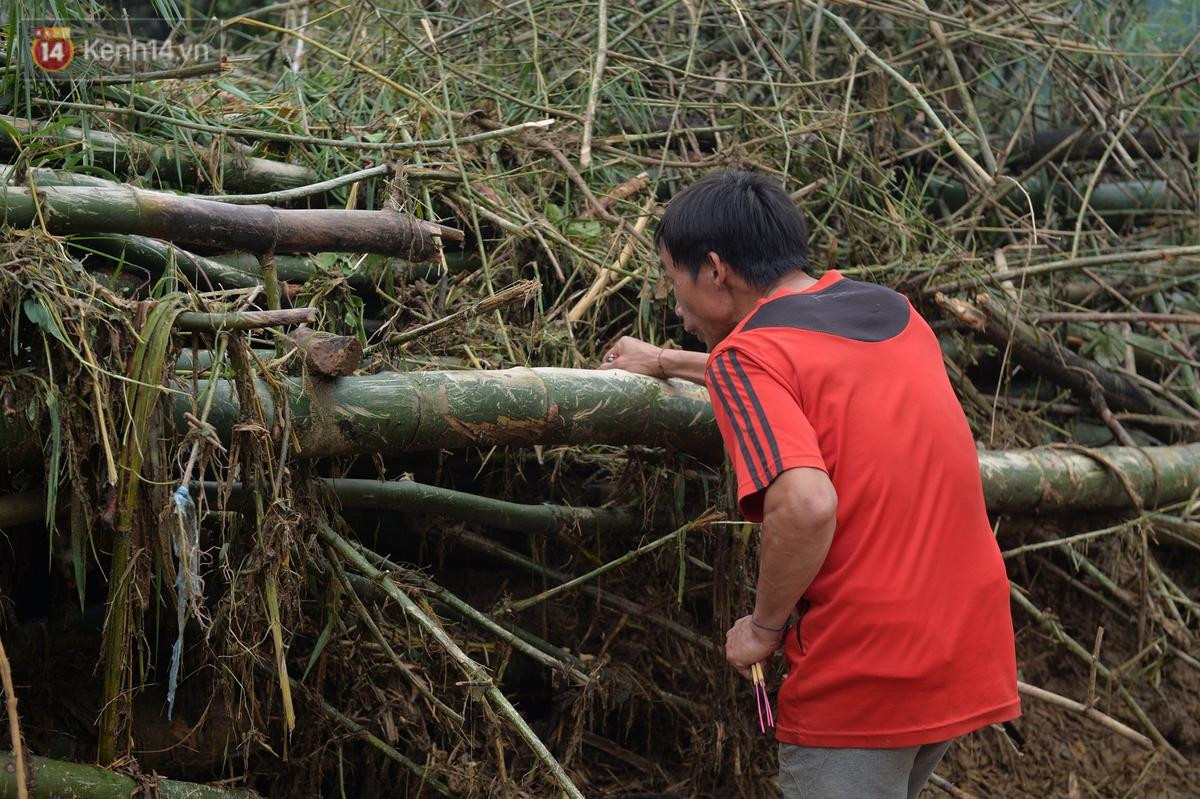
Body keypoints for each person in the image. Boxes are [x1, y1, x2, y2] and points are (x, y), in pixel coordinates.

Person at [600, 170, 1019, 799]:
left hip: (868, 667)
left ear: (716, 271)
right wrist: (665, 361)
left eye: (672, 279)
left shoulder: (748, 359)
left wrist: (764, 628)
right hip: (967, 640)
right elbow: (799, 369)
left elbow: (806, 503)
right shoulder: (891, 312)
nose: (675, 305)